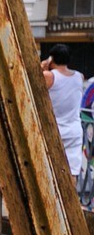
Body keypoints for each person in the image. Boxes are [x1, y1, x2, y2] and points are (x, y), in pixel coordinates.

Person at [43, 44, 85, 180]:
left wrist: (43, 66)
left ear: (52, 58)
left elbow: (30, 83)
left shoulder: (48, 76)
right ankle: (71, 200)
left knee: (51, 170)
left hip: (54, 130)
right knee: (72, 171)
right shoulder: (79, 76)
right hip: (74, 131)